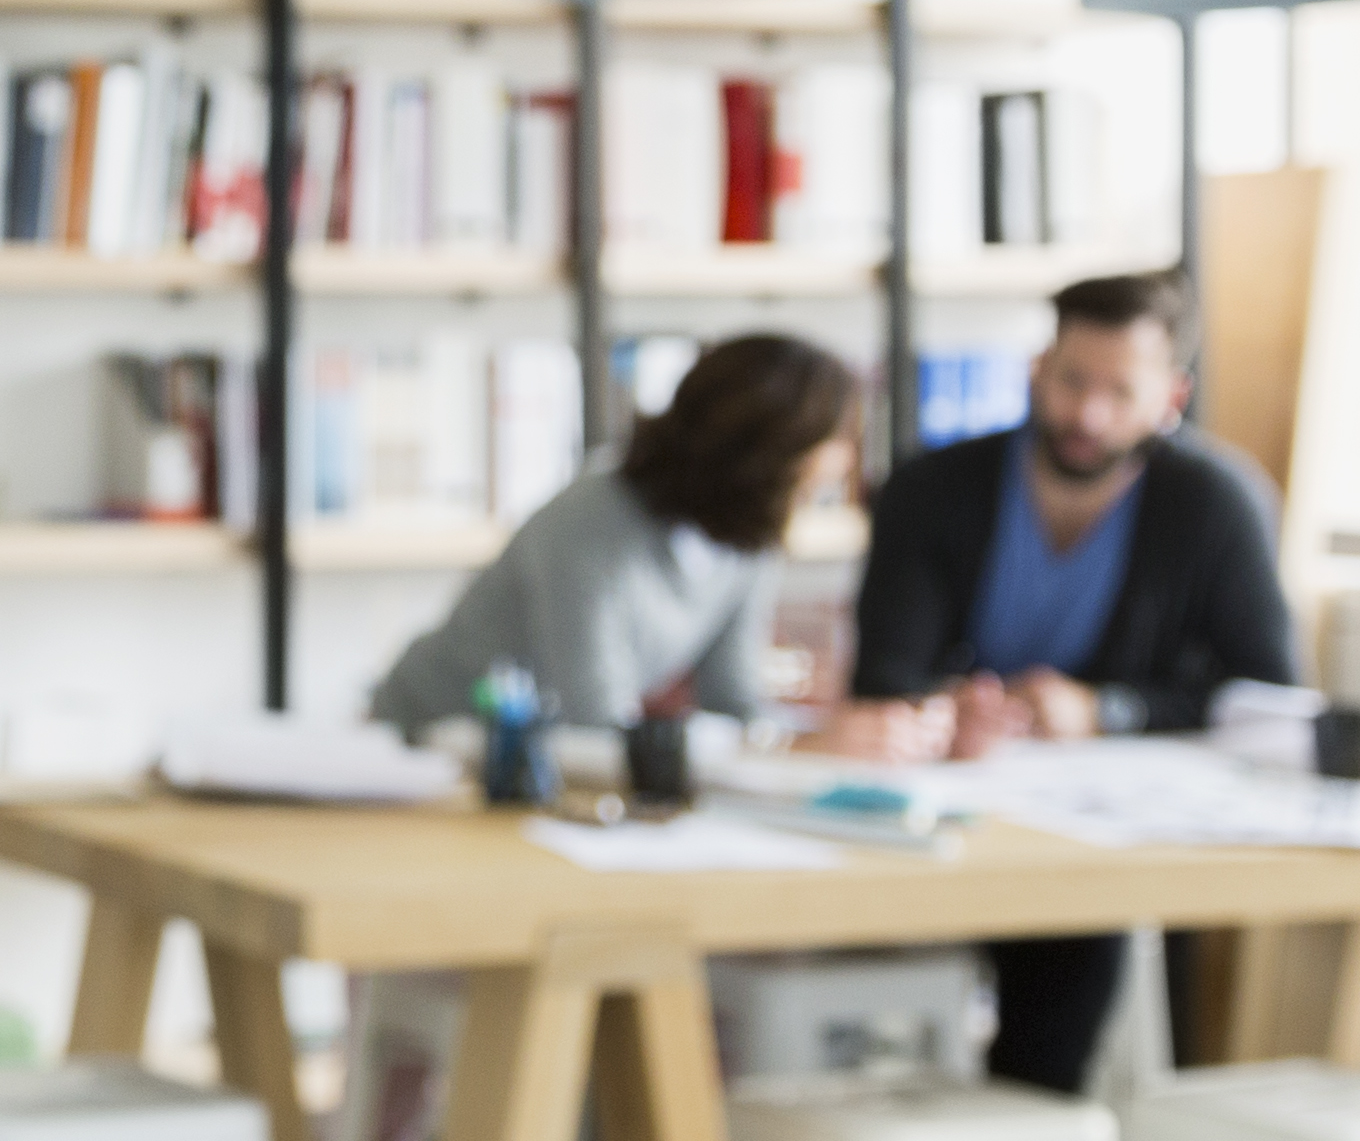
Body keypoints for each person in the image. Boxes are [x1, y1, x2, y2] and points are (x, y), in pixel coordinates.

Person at [815, 269, 1299, 1093]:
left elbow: (1274, 697)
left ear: (1171, 395)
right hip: (943, 822)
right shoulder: (931, 491)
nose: (1088, 415)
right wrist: (946, 713)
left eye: (1120, 390)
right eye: (1072, 381)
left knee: (1081, 936)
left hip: (1101, 842)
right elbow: (885, 677)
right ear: (1037, 370)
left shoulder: (1216, 506)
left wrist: (1110, 711)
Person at [368, 331, 861, 742]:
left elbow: (732, 698)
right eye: (830, 441)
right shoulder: (591, 520)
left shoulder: (746, 532)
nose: (840, 463)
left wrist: (816, 739)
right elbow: (595, 716)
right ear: (765, 450)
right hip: (432, 745)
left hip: (547, 762)